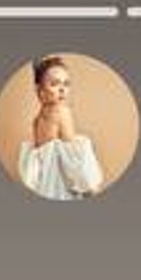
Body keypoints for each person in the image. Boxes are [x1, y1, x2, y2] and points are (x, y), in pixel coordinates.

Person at [17, 57, 104, 199]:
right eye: (54, 84)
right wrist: (91, 189)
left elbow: (39, 162)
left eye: (66, 84)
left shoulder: (38, 118)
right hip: (61, 186)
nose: (62, 89)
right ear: (40, 90)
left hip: (44, 186)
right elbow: (74, 159)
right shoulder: (62, 112)